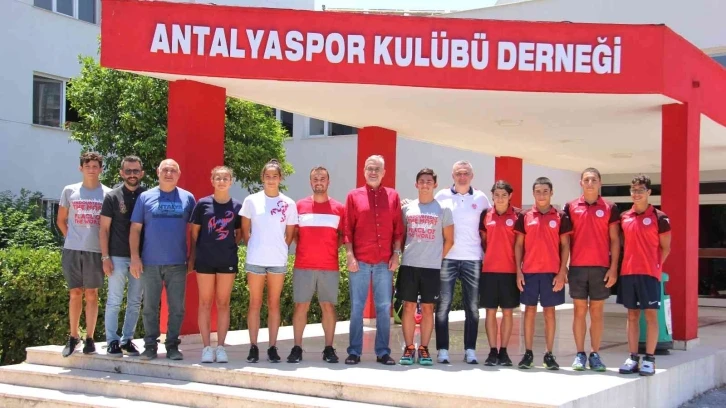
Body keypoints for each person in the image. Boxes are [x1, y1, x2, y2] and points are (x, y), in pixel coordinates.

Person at [130, 159, 196, 361]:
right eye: (165, 170)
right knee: (150, 307)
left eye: (173, 170)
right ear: (158, 172)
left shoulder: (188, 198)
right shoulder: (145, 197)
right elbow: (135, 229)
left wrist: (192, 257)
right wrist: (135, 257)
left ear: (179, 174)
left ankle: (172, 346)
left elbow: (194, 231)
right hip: (150, 263)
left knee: (177, 308)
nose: (169, 173)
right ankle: (150, 346)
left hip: (178, 263)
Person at [344, 155, 403, 366]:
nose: (373, 172)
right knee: (356, 307)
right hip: (359, 260)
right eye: (370, 168)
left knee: (384, 307)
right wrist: (350, 256)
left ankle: (383, 352)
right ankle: (354, 351)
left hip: (384, 262)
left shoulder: (393, 196)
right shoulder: (353, 196)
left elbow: (398, 229)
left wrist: (396, 254)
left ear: (384, 172)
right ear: (364, 171)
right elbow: (347, 228)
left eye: (377, 169)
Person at [240, 159, 297, 363]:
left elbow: (290, 234)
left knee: (274, 303)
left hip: (277, 260)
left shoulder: (289, 203)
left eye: (275, 176)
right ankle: (253, 346)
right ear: (262, 178)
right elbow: (245, 231)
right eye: (267, 176)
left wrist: (279, 248)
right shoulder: (251, 201)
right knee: (254, 303)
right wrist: (256, 246)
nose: (271, 179)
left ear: (280, 178)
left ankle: (272, 347)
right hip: (255, 259)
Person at [563, 168, 620, 371]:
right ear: (581, 183)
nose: (590, 183)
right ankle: (580, 354)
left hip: (601, 268)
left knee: (596, 312)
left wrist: (613, 268)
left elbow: (615, 240)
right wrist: (563, 267)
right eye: (586, 180)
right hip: (577, 267)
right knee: (579, 311)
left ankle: (595, 354)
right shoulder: (570, 207)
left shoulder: (610, 207)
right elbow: (565, 241)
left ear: (600, 183)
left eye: (593, 180)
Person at [434, 160, 491, 364]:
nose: (462, 176)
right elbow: (429, 213)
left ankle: (470, 350)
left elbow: (494, 219)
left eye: (466, 173)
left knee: (473, 308)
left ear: (472, 176)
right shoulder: (441, 196)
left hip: (473, 258)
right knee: (443, 306)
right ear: (453, 175)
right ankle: (442, 350)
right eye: (458, 173)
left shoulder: (481, 198)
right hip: (448, 258)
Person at [287, 166, 345, 364]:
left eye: (322, 178)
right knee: (300, 306)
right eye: (315, 179)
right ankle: (297, 348)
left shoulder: (339, 208)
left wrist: (329, 249)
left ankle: (328, 348)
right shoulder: (299, 206)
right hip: (303, 265)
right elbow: (295, 234)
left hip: (329, 266)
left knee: (328, 306)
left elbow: (342, 235)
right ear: (310, 182)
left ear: (328, 182)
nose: (319, 182)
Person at [514, 177, 572, 370]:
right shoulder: (524, 216)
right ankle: (528, 354)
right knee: (529, 311)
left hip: (551, 273)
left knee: (549, 312)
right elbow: (519, 245)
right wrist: (518, 271)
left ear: (551, 193)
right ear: (533, 193)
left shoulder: (561, 216)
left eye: (545, 191)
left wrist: (562, 272)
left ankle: (549, 354)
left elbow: (565, 246)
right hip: (529, 272)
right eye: (538, 191)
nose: (541, 195)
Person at [58, 152, 112, 357]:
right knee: (75, 293)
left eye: (95, 166)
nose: (91, 169)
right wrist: (71, 238)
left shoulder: (108, 194)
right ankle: (73, 336)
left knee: (91, 293)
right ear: (81, 168)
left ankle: (90, 337)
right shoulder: (69, 190)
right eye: (87, 166)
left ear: (101, 169)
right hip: (72, 250)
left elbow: (109, 226)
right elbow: (61, 220)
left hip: (96, 251)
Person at [397, 168, 454, 366]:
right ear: (416, 184)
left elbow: (449, 240)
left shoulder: (443, 209)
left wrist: (437, 259)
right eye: (422, 181)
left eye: (429, 181)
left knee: (428, 308)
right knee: (408, 307)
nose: (425, 184)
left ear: (435, 184)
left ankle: (423, 348)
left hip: (431, 268)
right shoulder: (407, 208)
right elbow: (402, 236)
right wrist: (404, 254)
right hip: (409, 265)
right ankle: (409, 348)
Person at [617, 174, 671, 377]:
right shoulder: (624, 217)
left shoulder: (660, 217)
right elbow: (622, 243)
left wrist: (655, 267)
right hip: (628, 273)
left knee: (650, 316)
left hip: (649, 274)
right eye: (633, 190)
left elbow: (666, 247)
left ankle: (649, 359)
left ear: (649, 192)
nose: (636, 193)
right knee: (632, 316)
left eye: (640, 190)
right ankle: (633, 358)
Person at [188, 166, 242, 364]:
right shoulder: (202, 204)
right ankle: (206, 348)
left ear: (231, 181)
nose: (221, 181)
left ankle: (220, 347)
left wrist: (226, 247)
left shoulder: (237, 206)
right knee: (205, 302)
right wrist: (198, 253)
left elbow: (239, 234)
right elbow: (194, 233)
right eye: (218, 178)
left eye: (225, 178)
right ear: (212, 181)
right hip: (205, 259)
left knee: (223, 303)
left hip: (227, 260)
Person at [100, 155, 146, 358]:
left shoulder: (147, 196)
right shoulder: (112, 196)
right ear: (121, 173)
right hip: (117, 257)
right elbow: (103, 229)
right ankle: (112, 340)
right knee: (114, 300)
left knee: (135, 301)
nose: (132, 174)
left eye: (135, 171)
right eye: (128, 171)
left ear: (142, 173)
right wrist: (105, 257)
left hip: (141, 258)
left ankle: (127, 340)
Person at [479, 180, 521, 367]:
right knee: (489, 312)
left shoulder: (518, 216)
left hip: (510, 272)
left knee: (507, 313)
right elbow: (484, 240)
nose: (500, 198)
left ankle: (503, 351)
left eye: (504, 195)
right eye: (496, 195)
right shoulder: (486, 214)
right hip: (489, 271)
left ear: (510, 196)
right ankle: (492, 351)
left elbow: (521, 244)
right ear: (492, 196)